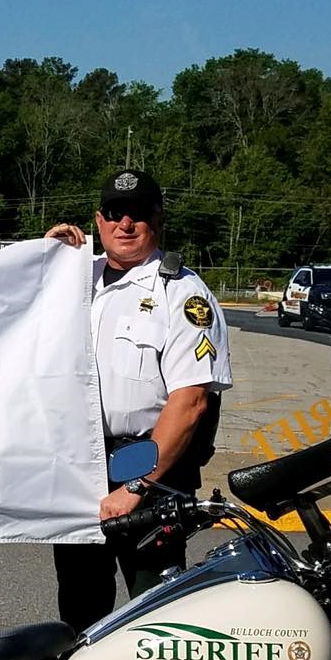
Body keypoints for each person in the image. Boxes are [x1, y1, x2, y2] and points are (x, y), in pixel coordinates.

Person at [45, 169, 232, 632]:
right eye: (114, 213)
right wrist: (44, 257)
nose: (124, 224)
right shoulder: (73, 280)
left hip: (148, 466)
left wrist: (135, 486)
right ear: (98, 219)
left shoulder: (183, 293)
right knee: (80, 606)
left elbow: (190, 403)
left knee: (155, 611)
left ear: (158, 219)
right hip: (79, 464)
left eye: (138, 214)